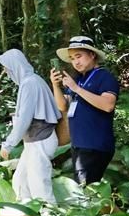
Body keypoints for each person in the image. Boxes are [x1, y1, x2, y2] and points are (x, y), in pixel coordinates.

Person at [50, 36, 119, 185]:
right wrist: (55, 85)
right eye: (72, 58)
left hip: (95, 145)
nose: (76, 62)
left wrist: (76, 88)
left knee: (85, 192)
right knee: (90, 192)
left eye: (79, 56)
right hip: (79, 145)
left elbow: (108, 105)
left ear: (92, 54)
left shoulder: (104, 77)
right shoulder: (79, 79)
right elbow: (62, 106)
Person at [0, 49, 61, 203]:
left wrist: (8, 145)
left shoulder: (30, 83)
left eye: (7, 67)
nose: (6, 72)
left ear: (15, 66)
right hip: (35, 141)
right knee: (20, 182)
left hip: (40, 141)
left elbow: (24, 119)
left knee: (40, 190)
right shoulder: (32, 80)